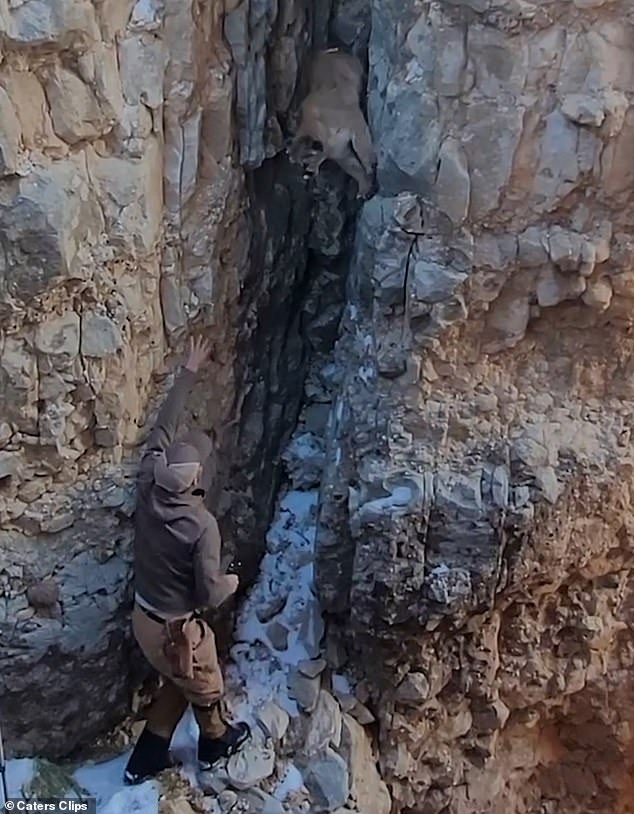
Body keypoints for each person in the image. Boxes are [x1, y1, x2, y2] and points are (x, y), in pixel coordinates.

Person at [124, 337, 250, 785]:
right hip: (177, 632)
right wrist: (232, 583)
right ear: (197, 479)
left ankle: (147, 757)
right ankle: (215, 745)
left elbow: (163, 427)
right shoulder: (201, 526)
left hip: (144, 616)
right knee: (205, 687)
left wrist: (190, 371)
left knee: (180, 682)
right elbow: (207, 593)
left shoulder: (148, 482)